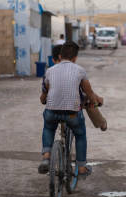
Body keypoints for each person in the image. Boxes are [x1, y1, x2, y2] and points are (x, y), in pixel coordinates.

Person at [38, 41, 104, 179]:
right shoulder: (79, 70)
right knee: (80, 134)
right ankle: (80, 167)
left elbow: (43, 95)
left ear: (60, 56)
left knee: (49, 127)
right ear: (75, 58)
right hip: (72, 114)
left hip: (52, 111)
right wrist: (97, 101)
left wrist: (45, 99)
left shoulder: (49, 71)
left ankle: (46, 156)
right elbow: (89, 93)